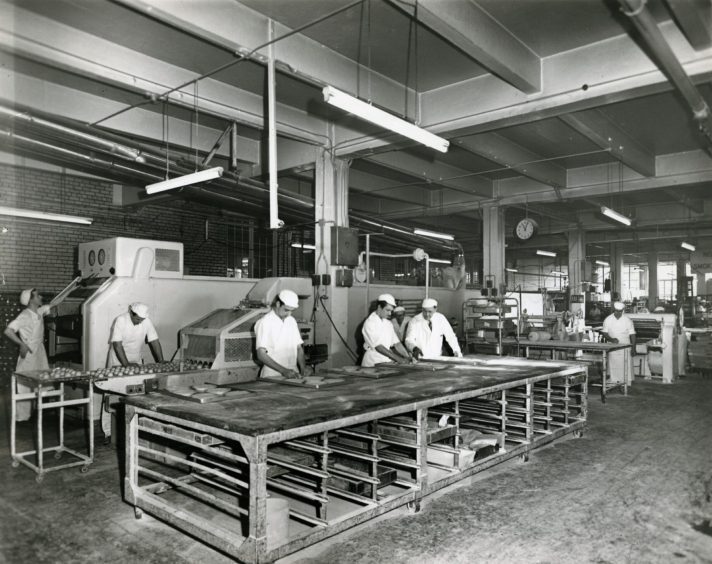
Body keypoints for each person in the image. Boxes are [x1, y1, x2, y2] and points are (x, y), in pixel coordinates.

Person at [104, 302, 165, 442]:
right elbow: (117, 345)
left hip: (135, 361)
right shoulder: (121, 320)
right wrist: (126, 365)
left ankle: (134, 429)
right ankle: (108, 431)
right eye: (137, 319)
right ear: (131, 313)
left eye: (142, 320)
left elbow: (154, 340)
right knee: (111, 394)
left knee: (136, 394)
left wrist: (161, 361)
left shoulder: (146, 321)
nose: (139, 322)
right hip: (118, 361)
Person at [3, 288, 65, 421]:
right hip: (29, 353)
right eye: (37, 296)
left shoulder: (39, 311)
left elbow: (56, 302)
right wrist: (22, 344)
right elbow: (8, 331)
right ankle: (21, 418)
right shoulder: (25, 315)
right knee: (25, 385)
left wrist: (74, 286)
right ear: (30, 300)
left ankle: (37, 414)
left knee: (41, 382)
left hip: (39, 351)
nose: (41, 297)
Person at [254, 289, 305, 379]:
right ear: (278, 304)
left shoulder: (291, 321)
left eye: (291, 311)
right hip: (272, 374)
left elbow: (299, 348)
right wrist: (283, 371)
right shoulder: (265, 322)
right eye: (286, 310)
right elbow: (261, 354)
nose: (289, 314)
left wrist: (303, 369)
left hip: (293, 373)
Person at [361, 294, 412, 367]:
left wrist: (408, 356)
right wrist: (399, 359)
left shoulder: (388, 323)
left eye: (391, 311)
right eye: (387, 310)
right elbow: (379, 347)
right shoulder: (370, 323)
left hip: (386, 361)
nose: (390, 313)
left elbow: (396, 343)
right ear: (379, 307)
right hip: (373, 362)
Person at [601, 301, 636, 385]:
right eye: (616, 311)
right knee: (613, 364)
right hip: (613, 345)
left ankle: (626, 381)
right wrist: (611, 339)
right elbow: (605, 333)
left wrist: (634, 348)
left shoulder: (627, 320)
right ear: (614, 310)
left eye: (620, 311)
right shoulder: (608, 319)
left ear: (623, 310)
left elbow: (632, 334)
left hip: (625, 345)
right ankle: (614, 380)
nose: (618, 313)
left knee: (625, 364)